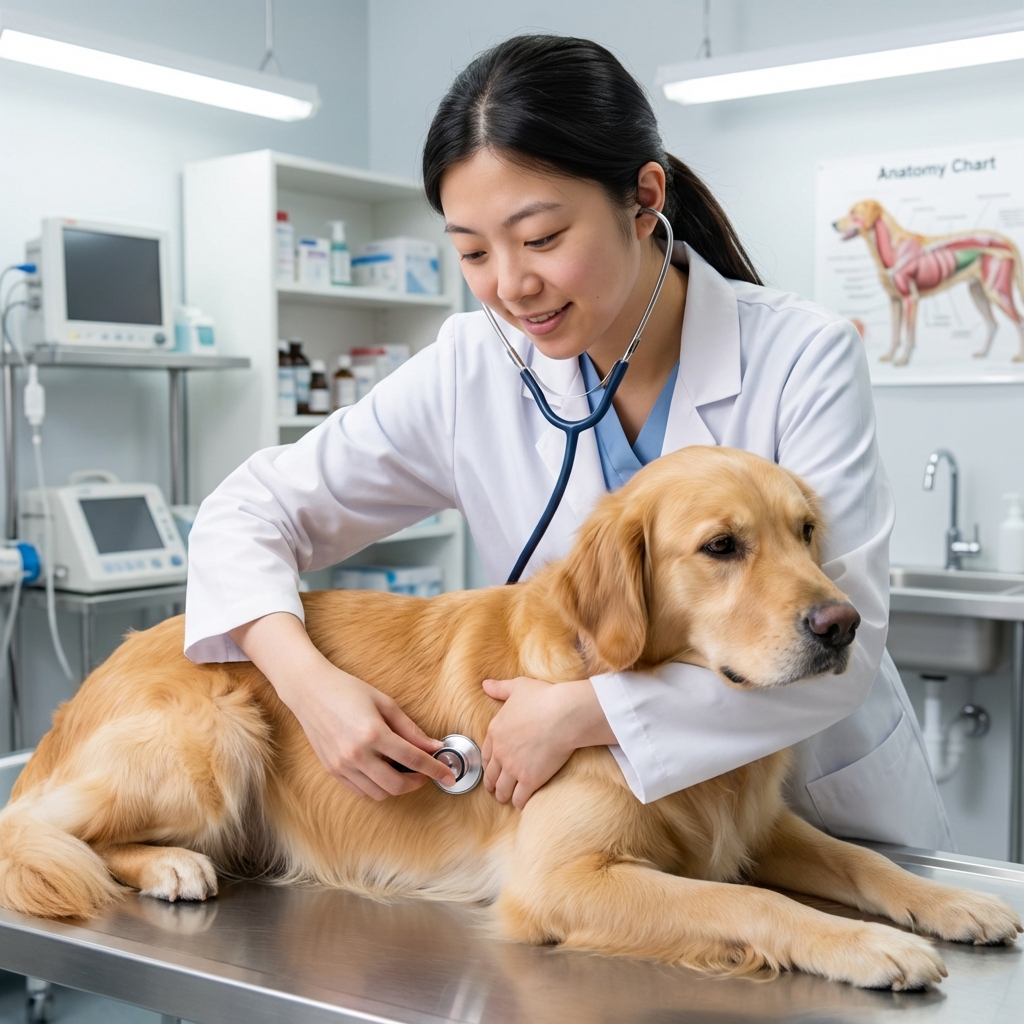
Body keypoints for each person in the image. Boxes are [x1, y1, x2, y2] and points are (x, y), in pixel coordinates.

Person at [185, 35, 952, 849]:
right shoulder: (471, 370)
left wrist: (583, 712)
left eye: (542, 238)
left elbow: (843, 637)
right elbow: (247, 513)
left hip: (812, 821)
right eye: (473, 252)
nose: (511, 285)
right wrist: (309, 686)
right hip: (611, 831)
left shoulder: (800, 355)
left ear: (643, 197)